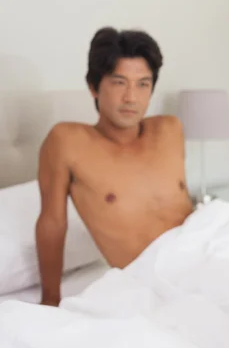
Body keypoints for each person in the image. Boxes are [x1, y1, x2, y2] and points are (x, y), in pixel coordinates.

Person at [35, 27, 194, 307]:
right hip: (152, 280)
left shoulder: (170, 129)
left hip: (204, 255)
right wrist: (50, 300)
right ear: (94, 87)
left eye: (143, 84)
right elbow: (52, 223)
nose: (131, 97)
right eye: (119, 82)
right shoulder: (67, 141)